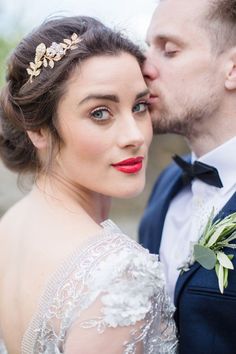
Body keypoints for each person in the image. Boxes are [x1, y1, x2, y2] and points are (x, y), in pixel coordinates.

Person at [0, 15, 178, 354]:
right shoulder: (118, 274)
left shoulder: (10, 225)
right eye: (100, 113)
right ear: (37, 129)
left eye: (139, 107)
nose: (135, 136)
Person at [139, 0, 236, 353]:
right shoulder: (164, 185)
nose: (144, 67)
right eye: (147, 47)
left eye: (169, 50)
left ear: (233, 69)